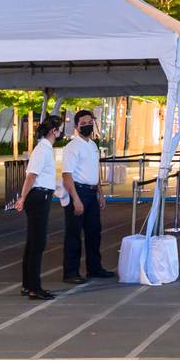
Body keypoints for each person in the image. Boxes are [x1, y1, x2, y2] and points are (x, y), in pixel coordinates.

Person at [13, 114, 63, 301]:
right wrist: (22, 197)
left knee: (33, 242)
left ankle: (28, 284)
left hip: (42, 194)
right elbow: (31, 175)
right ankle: (34, 287)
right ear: (53, 131)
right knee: (37, 243)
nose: (60, 133)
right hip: (38, 196)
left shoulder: (45, 148)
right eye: (59, 130)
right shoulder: (42, 149)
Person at [61, 109, 114, 283]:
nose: (87, 126)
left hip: (91, 192)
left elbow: (94, 171)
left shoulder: (92, 145)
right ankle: (71, 272)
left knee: (94, 232)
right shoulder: (72, 147)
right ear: (76, 126)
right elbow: (67, 175)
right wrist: (75, 199)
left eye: (90, 122)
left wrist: (100, 193)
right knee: (74, 233)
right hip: (78, 191)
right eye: (83, 123)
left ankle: (94, 268)